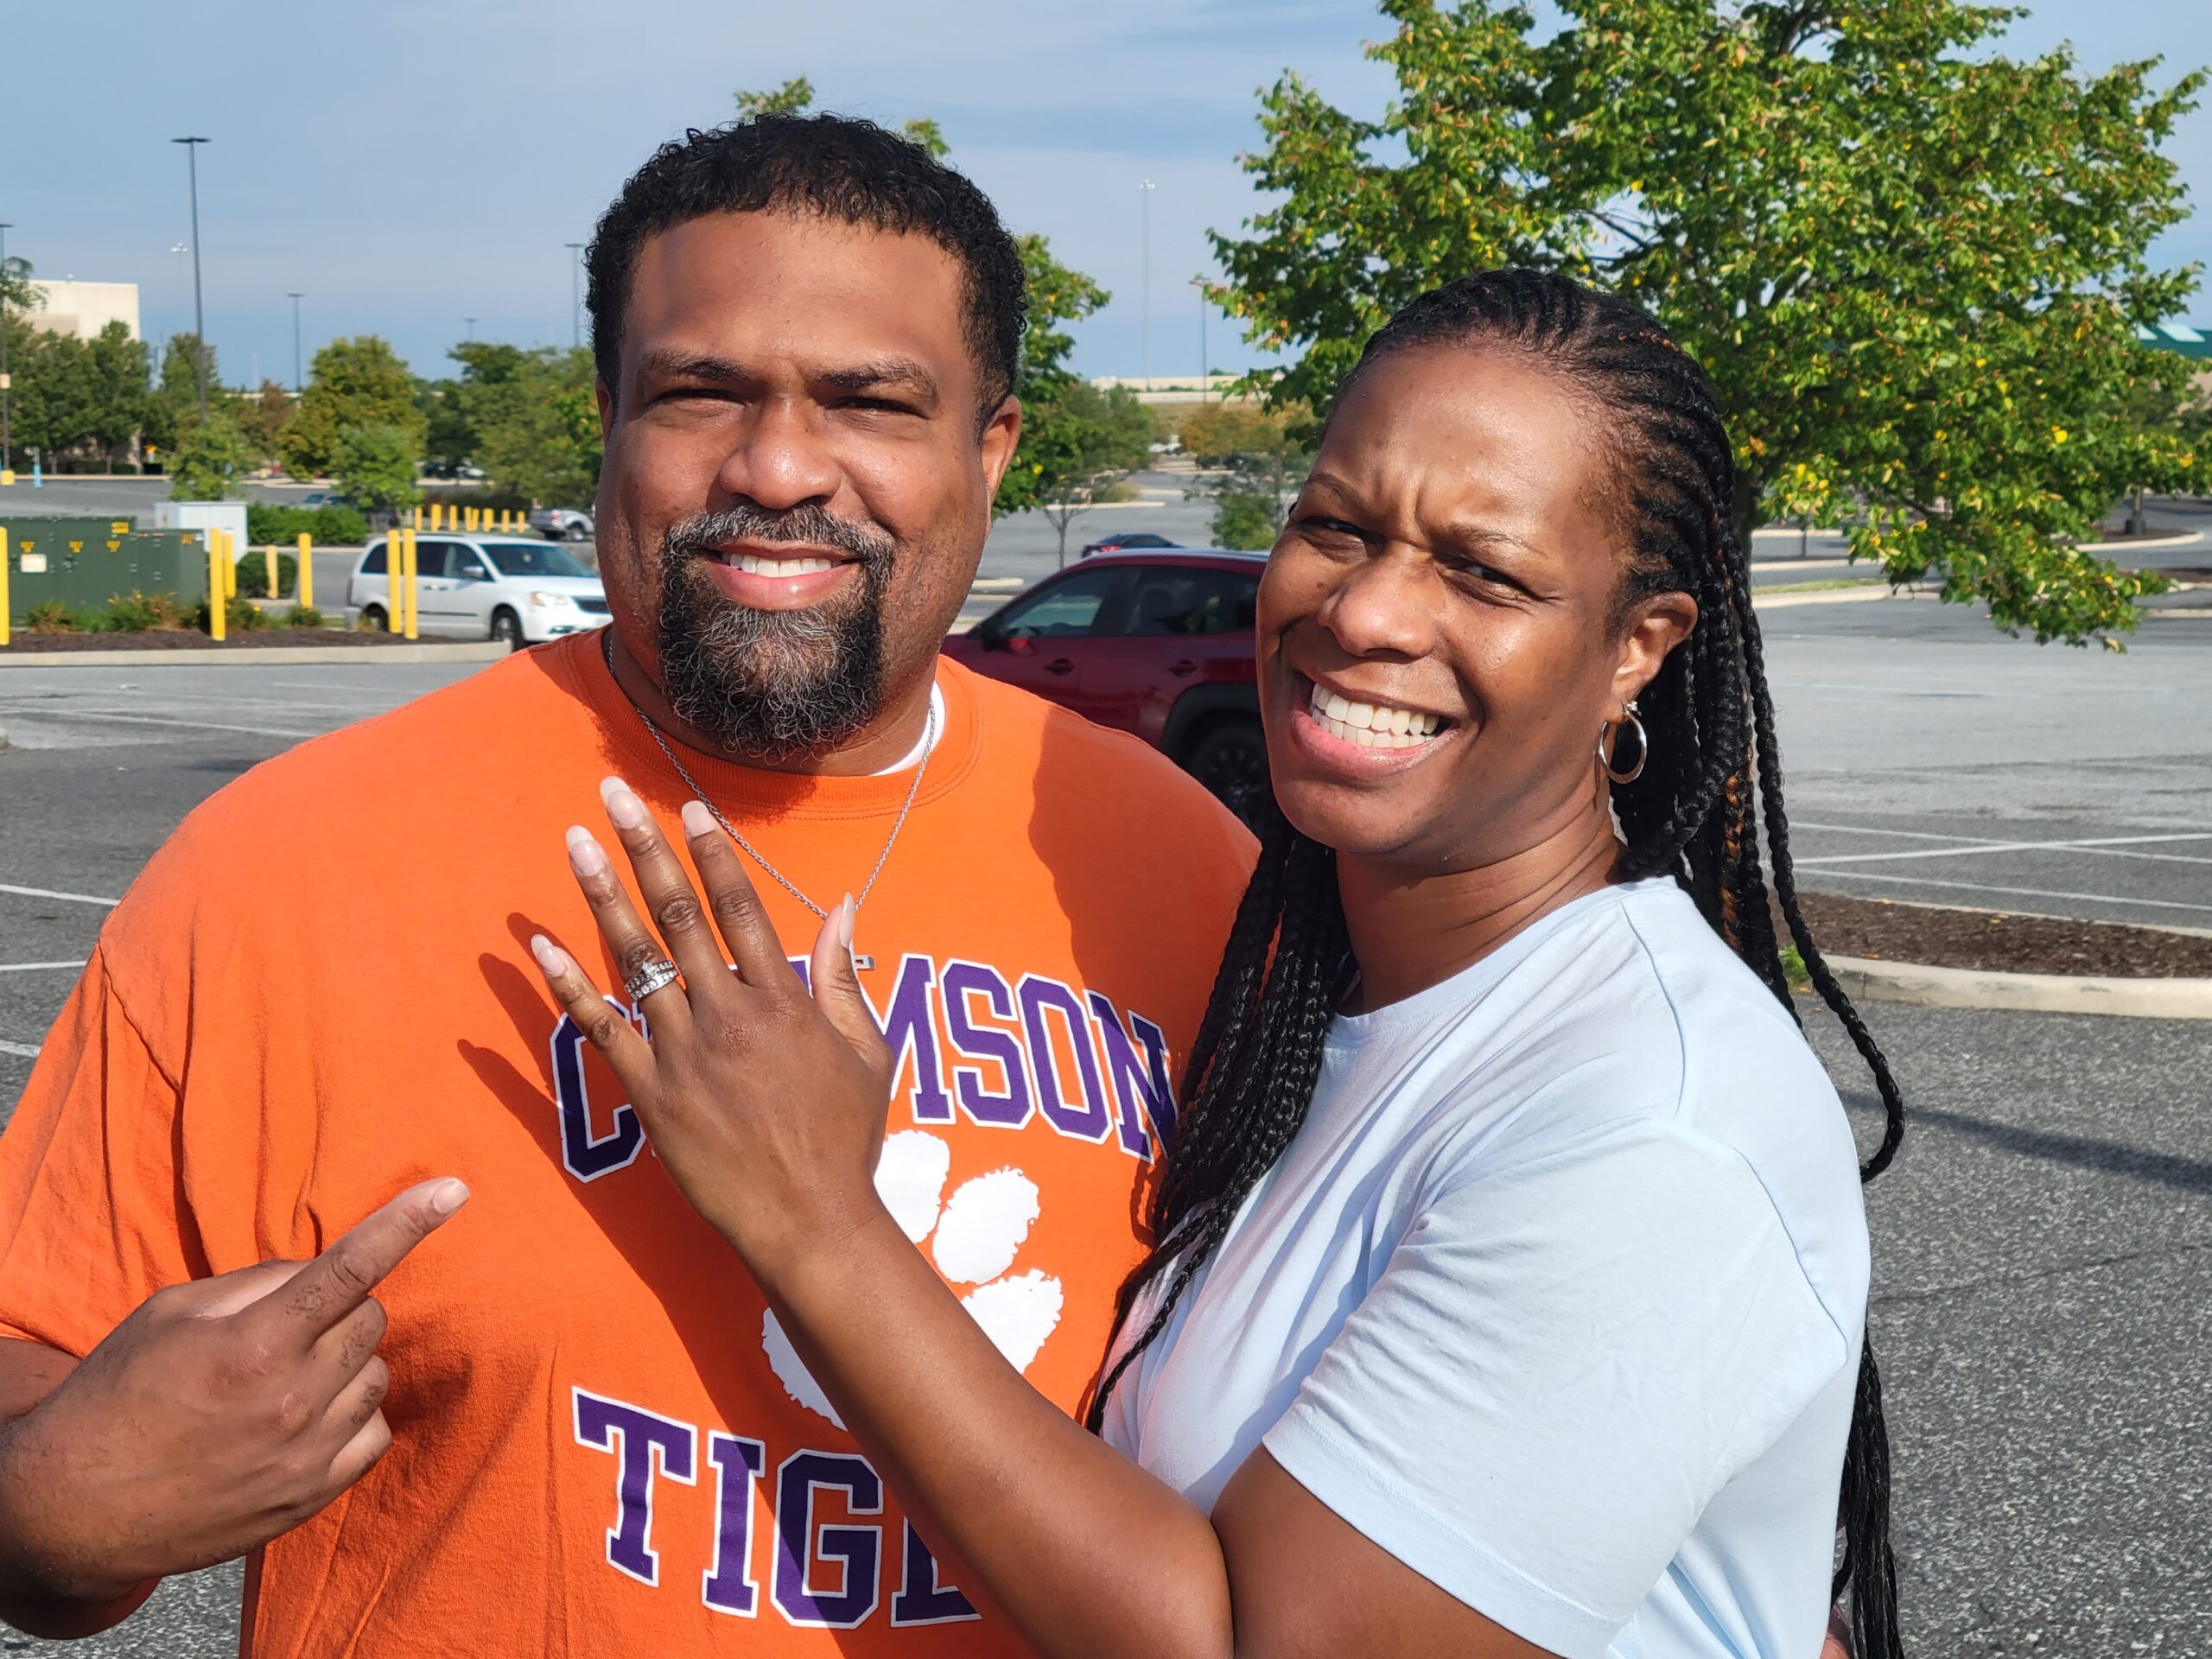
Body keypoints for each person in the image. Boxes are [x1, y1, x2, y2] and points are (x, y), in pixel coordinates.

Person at [0, 117, 1253, 1651]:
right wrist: (47, 1511)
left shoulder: (1185, 869)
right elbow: (37, 1366)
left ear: (989, 448)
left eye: (871, 400)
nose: (781, 467)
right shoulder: (286, 862)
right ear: (607, 416)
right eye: (700, 392)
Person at [531, 269, 1909, 1659]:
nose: (1368, 614)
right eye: (1335, 527)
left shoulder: (1649, 1126)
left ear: (1639, 648)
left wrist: (815, 1219)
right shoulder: (1333, 1005)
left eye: (1485, 571)